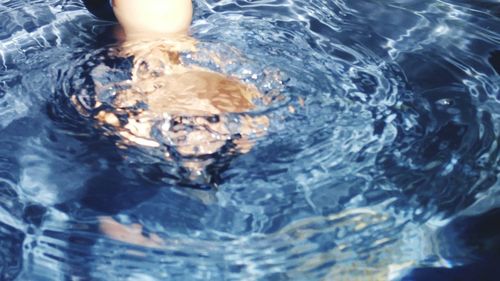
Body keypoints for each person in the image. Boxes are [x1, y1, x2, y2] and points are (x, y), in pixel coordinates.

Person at [80, 0, 269, 182]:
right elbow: (266, 107)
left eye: (181, 127)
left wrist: (130, 135)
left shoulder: (137, 107)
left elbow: (103, 114)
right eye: (209, 121)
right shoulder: (229, 91)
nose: (196, 127)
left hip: (128, 42)